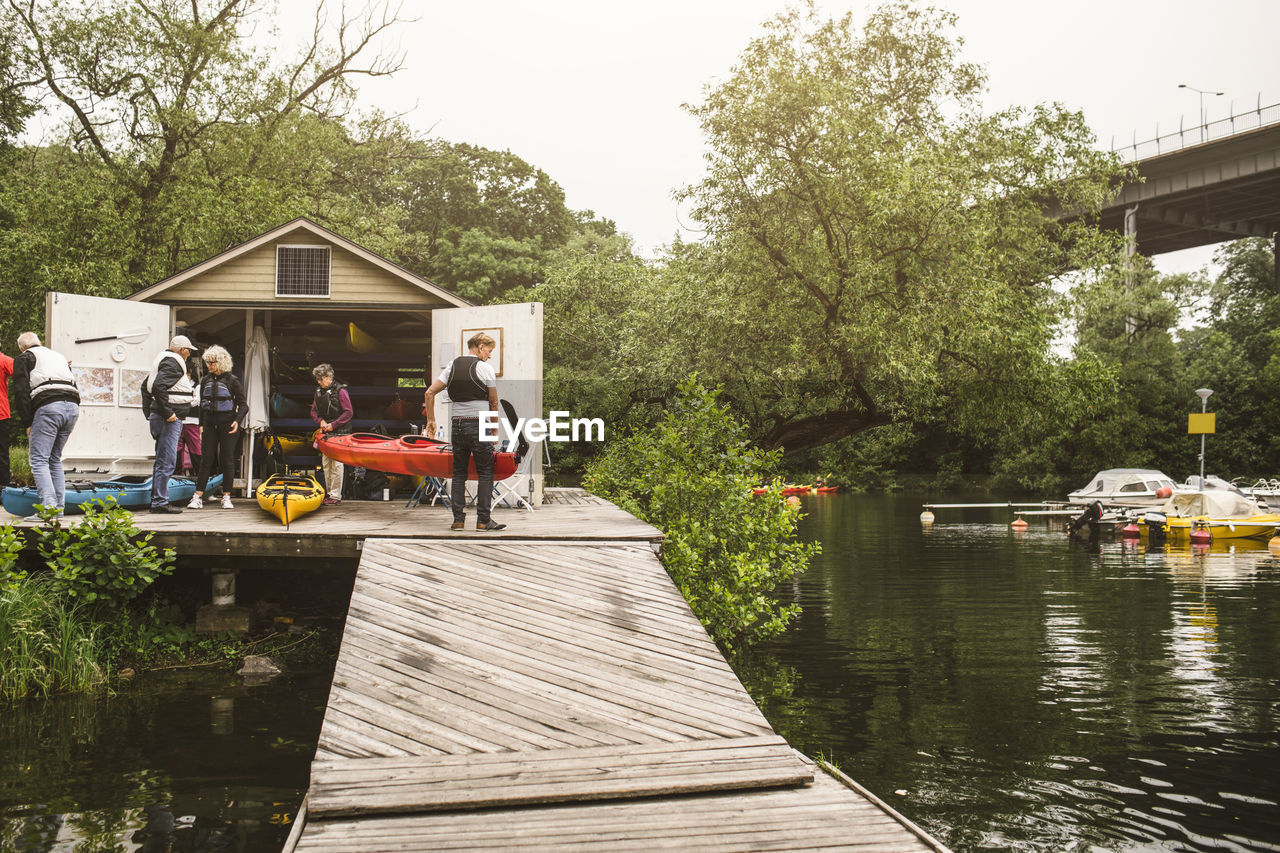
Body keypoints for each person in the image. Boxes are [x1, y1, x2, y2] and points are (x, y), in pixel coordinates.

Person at [423, 333, 506, 531]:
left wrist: (431, 420)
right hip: (479, 424)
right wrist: (493, 429)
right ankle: (483, 521)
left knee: (459, 473)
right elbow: (493, 402)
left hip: (457, 425)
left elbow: (429, 393)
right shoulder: (485, 368)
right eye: (489, 350)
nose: (490, 355)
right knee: (486, 472)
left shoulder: (451, 366)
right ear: (480, 346)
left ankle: (458, 520)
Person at [11, 332, 80, 518]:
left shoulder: (24, 357)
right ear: (39, 343)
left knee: (39, 460)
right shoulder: (59, 357)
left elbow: (21, 390)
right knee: (54, 458)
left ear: (22, 348)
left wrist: (27, 421)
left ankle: (48, 508)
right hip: (73, 407)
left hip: (49, 406)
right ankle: (59, 509)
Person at [187, 345, 247, 510]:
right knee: (206, 460)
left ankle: (226, 496)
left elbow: (243, 405)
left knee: (227, 460)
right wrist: (200, 425)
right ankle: (197, 496)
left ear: (221, 362)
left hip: (228, 425)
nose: (209, 366)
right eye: (208, 362)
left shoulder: (232, 381)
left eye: (212, 362)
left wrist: (237, 421)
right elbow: (201, 406)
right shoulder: (205, 380)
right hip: (209, 424)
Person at [142, 335, 196, 514]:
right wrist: (168, 413)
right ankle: (160, 502)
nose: (189, 354)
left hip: (159, 417)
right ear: (182, 350)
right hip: (168, 420)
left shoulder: (161, 361)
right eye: (188, 350)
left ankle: (157, 499)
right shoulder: (174, 363)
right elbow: (158, 386)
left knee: (161, 460)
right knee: (167, 461)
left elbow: (145, 386)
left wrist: (148, 411)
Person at [311, 363, 353, 505]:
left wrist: (333, 425)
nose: (318, 382)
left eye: (320, 379)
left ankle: (335, 496)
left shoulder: (341, 391)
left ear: (329, 377)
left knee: (337, 464)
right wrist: (321, 421)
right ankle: (329, 494)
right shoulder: (318, 392)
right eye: (317, 379)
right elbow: (314, 411)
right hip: (326, 433)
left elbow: (348, 412)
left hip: (340, 432)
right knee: (326, 464)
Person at [177, 355, 202, 476]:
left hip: (192, 421)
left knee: (196, 449)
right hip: (178, 421)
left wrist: (182, 403)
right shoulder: (177, 385)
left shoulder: (197, 386)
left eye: (187, 373)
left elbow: (196, 401)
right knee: (177, 450)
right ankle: (177, 474)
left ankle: (199, 476)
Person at [0, 345, 12, 486]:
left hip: (1, 413)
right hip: (1, 414)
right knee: (2, 453)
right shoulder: (4, 360)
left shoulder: (4, 360)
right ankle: (3, 489)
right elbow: (26, 372)